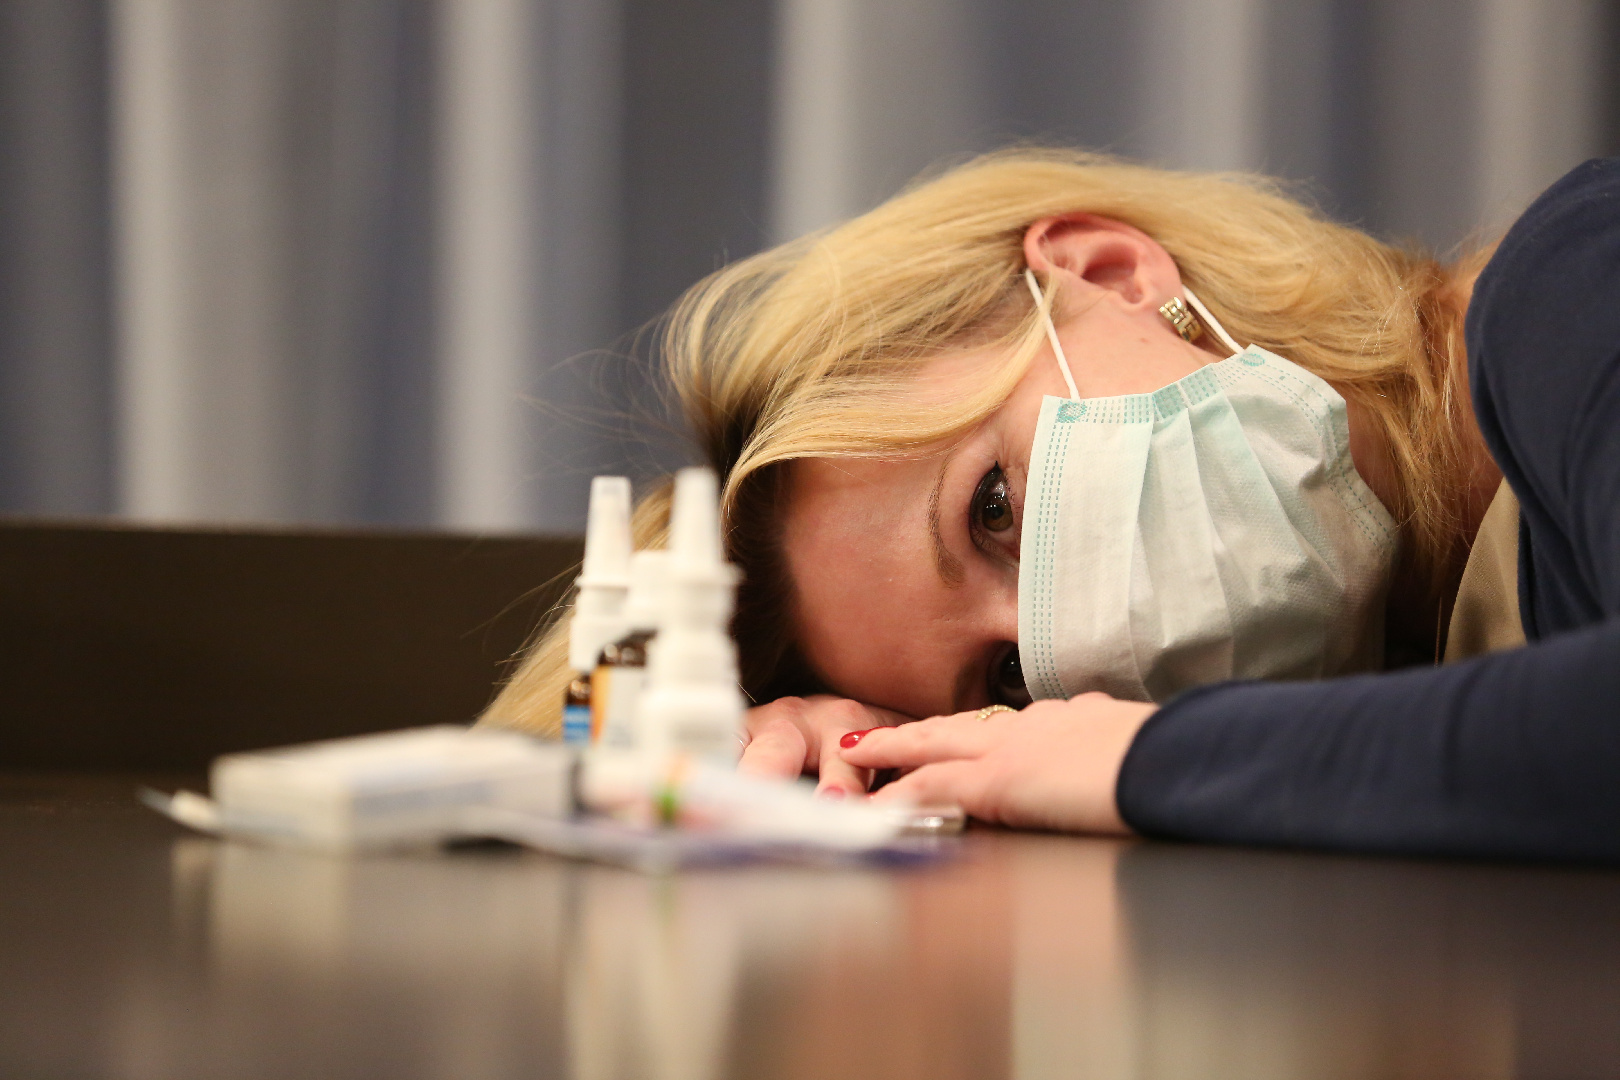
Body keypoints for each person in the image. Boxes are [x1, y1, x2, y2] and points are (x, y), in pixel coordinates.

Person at [482, 149, 1620, 862]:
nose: (1083, 644)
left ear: (1114, 275)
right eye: (1011, 681)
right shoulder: (1404, 651)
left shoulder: (1572, 288)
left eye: (993, 511)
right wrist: (866, 770)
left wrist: (1148, 761)